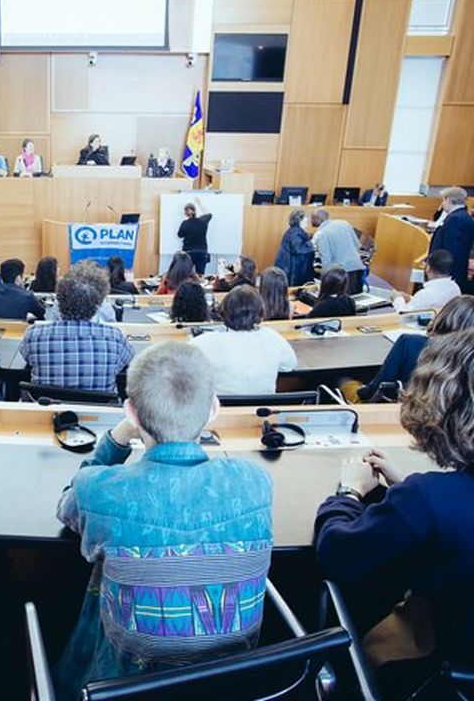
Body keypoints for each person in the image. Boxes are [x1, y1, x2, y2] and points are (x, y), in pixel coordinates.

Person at [55, 341, 273, 699]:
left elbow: (67, 506)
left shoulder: (99, 489)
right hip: (229, 685)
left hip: (122, 685)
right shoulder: (257, 481)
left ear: (131, 412)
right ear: (214, 409)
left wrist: (118, 437)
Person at [314, 329, 474, 698]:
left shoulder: (427, 499)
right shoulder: (427, 498)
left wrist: (348, 493)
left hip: (426, 673)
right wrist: (408, 489)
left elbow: (336, 555)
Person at [19, 260, 133, 393]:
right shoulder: (115, 338)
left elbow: (27, 358)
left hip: (45, 409)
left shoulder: (33, 335)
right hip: (100, 411)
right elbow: (126, 362)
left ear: (60, 299)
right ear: (98, 303)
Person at [356, 295, 474, 402]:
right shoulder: (468, 358)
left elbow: (378, 387)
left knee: (345, 381)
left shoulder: (409, 343)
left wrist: (361, 392)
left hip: (401, 412)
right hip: (448, 420)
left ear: (444, 317)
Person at [191, 285, 297, 396]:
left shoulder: (205, 342)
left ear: (224, 312)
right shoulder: (272, 337)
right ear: (260, 312)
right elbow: (290, 365)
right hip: (263, 409)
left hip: (223, 410)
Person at [428, 186, 474, 290]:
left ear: (448, 199)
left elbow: (450, 250)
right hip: (458, 269)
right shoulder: (465, 216)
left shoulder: (455, 219)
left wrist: (442, 272)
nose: (443, 203)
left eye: (443, 200)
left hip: (447, 273)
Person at [311, 209, 365, 294]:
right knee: (357, 300)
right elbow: (357, 245)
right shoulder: (345, 223)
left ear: (317, 219)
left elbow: (326, 261)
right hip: (357, 267)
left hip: (340, 274)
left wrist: (323, 281)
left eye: (312, 218)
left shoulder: (321, 234)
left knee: (343, 302)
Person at [391, 249, 460, 313]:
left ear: (428, 268)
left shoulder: (426, 294)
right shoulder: (455, 288)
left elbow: (403, 315)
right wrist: (410, 298)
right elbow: (426, 303)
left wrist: (398, 298)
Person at [274, 208, 315, 287]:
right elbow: (298, 249)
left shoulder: (294, 231)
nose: (307, 219)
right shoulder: (296, 232)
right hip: (292, 270)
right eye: (305, 217)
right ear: (300, 219)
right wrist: (312, 244)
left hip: (289, 268)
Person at [177, 200, 212, 275]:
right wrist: (200, 203)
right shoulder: (203, 221)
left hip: (189, 253)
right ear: (195, 211)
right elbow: (209, 213)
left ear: (185, 213)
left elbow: (179, 235)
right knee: (200, 275)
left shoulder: (185, 223)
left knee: (187, 275)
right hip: (202, 252)